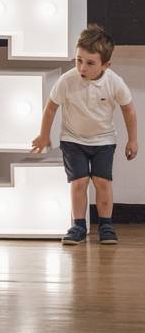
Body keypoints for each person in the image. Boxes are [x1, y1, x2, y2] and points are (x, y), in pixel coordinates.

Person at [31, 24, 138, 244]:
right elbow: (51, 107)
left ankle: (106, 226)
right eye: (79, 60)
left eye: (90, 63)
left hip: (104, 140)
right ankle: (78, 226)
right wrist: (43, 135)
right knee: (78, 182)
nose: (82, 67)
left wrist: (133, 140)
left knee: (102, 182)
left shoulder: (114, 82)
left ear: (106, 65)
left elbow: (128, 108)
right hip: (73, 139)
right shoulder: (67, 81)